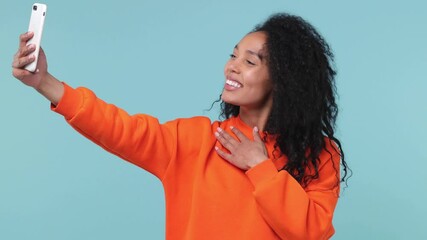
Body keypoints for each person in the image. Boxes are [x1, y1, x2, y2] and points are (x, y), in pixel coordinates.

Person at [12, 13, 349, 240]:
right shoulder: (196, 139)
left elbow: (311, 231)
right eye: (233, 56)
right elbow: (119, 129)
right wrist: (45, 83)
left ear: (284, 80)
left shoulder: (319, 154)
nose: (232, 68)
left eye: (249, 62)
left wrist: (260, 167)